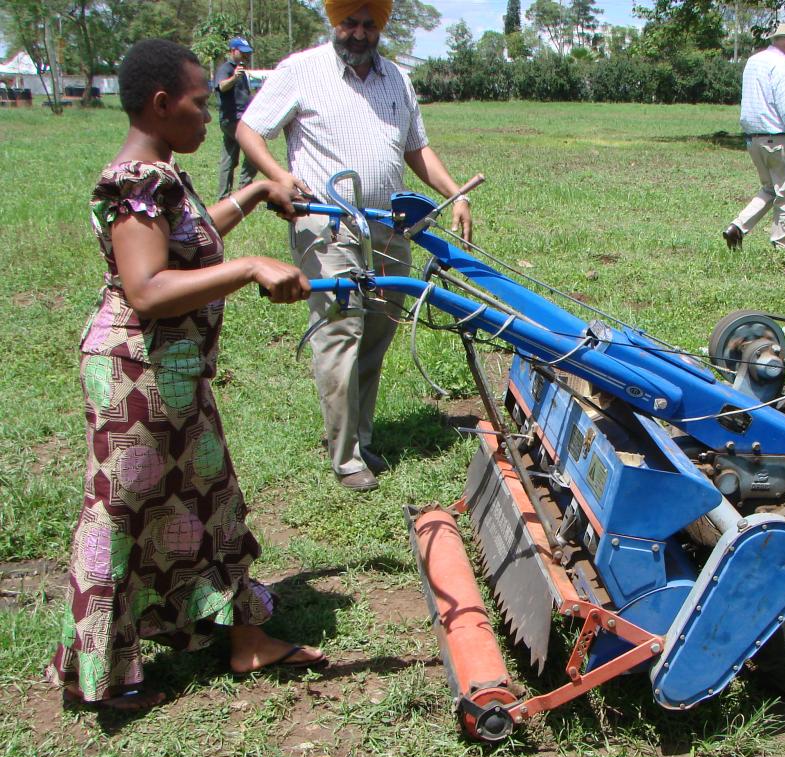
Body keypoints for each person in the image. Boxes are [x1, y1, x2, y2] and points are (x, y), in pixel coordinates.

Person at [46, 38, 324, 711]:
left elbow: (194, 240)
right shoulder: (139, 179)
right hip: (135, 376)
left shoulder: (163, 175)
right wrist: (251, 267)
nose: (213, 116)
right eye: (202, 104)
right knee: (121, 514)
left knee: (213, 499)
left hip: (172, 373)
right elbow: (146, 287)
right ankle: (99, 675)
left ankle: (246, 639)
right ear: (162, 104)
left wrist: (256, 191)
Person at [238, 0, 475, 493]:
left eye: (370, 24)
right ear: (334, 21)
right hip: (328, 224)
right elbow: (249, 130)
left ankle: (361, 436)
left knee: (377, 333)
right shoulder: (301, 71)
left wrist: (453, 194)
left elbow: (415, 147)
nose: (360, 33)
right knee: (341, 332)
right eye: (351, 22)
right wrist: (280, 177)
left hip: (389, 225)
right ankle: (346, 457)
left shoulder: (396, 79)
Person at [723, 23, 785, 252]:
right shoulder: (782, 65)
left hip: (754, 139)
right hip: (778, 139)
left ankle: (737, 227)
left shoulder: (754, 61)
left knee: (770, 189)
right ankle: (783, 249)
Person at [215, 37, 258, 198]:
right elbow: (221, 86)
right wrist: (234, 77)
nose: (246, 56)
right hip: (233, 119)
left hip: (237, 118)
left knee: (228, 159)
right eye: (243, 53)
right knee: (255, 151)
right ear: (233, 51)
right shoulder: (227, 68)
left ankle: (223, 197)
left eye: (248, 53)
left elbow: (244, 95)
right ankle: (244, 190)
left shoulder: (240, 70)